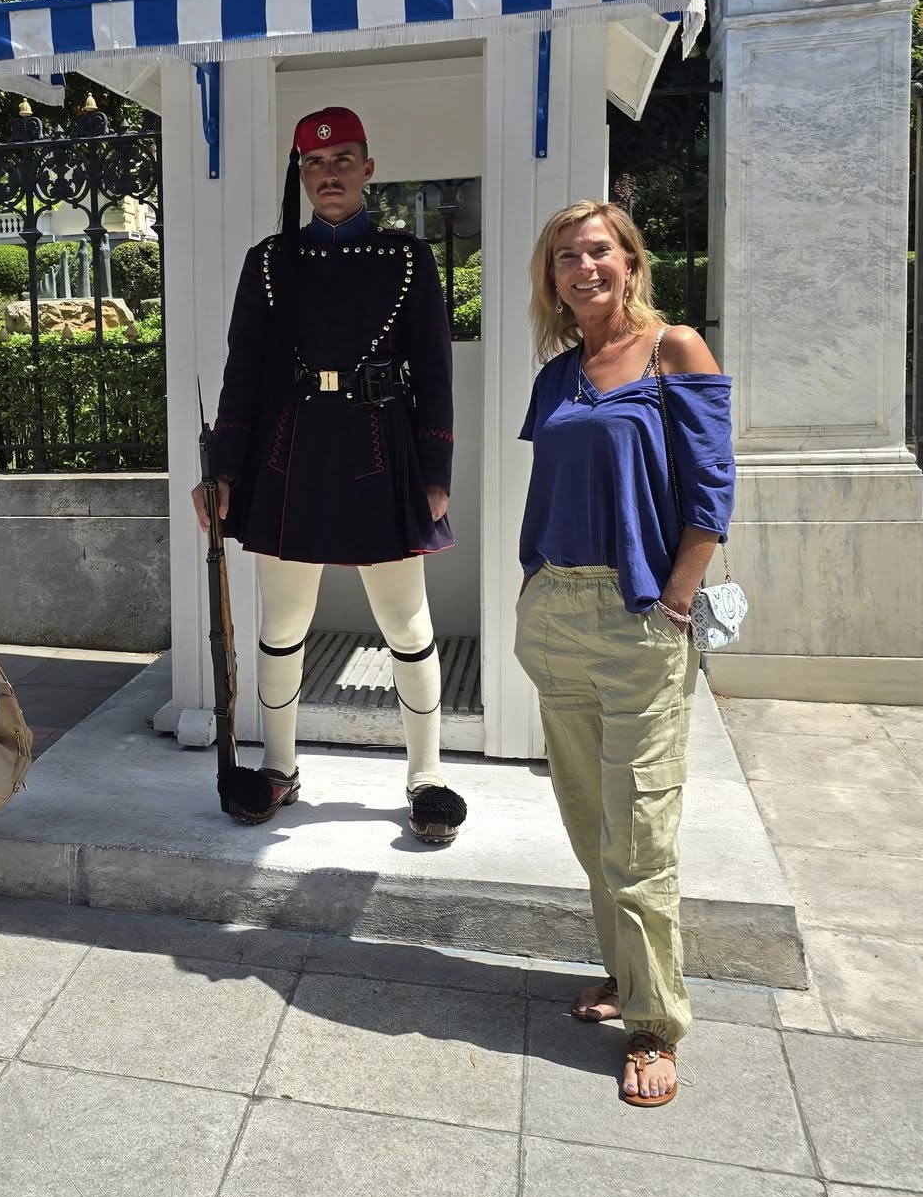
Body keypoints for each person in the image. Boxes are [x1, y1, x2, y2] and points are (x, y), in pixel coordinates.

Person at [195, 106, 467, 843]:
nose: (330, 174)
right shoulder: (269, 261)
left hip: (381, 450)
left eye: (344, 159)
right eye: (316, 163)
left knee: (406, 621)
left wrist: (435, 464)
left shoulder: (407, 258)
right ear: (302, 174)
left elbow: (435, 371)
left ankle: (426, 774)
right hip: (291, 453)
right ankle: (279, 765)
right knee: (282, 624)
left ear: (368, 168)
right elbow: (242, 373)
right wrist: (223, 470)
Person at [514, 200, 735, 1110]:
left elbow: (712, 484)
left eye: (597, 250)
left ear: (631, 260)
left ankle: (655, 1024)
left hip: (640, 610)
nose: (582, 267)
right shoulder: (559, 374)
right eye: (566, 257)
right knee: (589, 823)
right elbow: (553, 487)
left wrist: (680, 591)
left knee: (640, 833)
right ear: (553, 279)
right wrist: (533, 584)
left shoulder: (674, 349)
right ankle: (622, 975)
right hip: (556, 612)